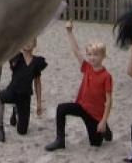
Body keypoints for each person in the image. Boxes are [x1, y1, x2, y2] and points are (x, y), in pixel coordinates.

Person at [45, 21, 113, 151]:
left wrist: (103, 121)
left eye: (96, 55)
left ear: (103, 56)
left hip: (94, 114)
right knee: (61, 108)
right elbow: (76, 51)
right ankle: (60, 140)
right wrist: (69, 32)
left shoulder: (106, 76)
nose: (92, 58)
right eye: (90, 54)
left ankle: (105, 129)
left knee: (95, 144)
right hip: (81, 106)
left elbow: (109, 101)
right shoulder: (87, 67)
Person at [0, 37, 47, 142]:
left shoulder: (37, 62)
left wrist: (39, 103)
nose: (27, 43)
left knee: (22, 131)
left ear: (35, 44)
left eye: (30, 40)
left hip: (25, 97)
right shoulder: (16, 57)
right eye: (25, 40)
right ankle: (0, 128)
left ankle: (16, 110)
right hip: (12, 91)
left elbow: (37, 83)